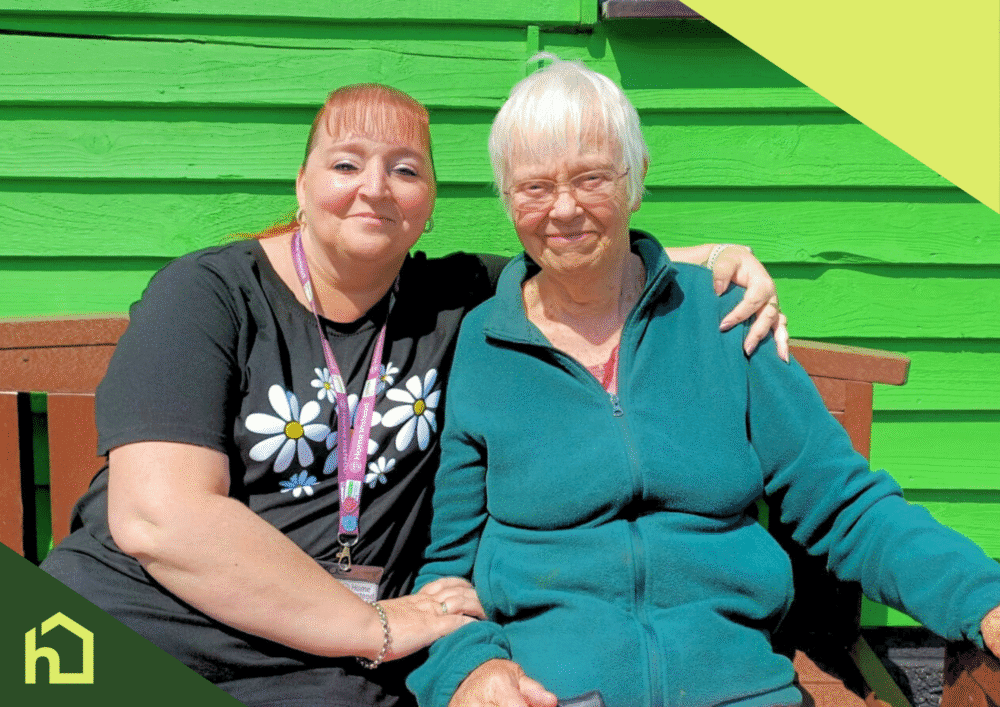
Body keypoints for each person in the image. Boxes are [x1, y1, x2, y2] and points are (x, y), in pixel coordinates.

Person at [39, 82, 786, 707]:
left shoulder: (455, 298)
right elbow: (159, 517)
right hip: (135, 625)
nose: (374, 186)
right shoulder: (208, 295)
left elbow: (586, 253)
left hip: (322, 673)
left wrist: (715, 259)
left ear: (428, 204)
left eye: (404, 169)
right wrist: (376, 628)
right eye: (346, 162)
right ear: (301, 187)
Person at [405, 57, 1000, 707]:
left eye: (592, 177)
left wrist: (982, 596)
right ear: (506, 198)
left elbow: (849, 505)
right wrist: (468, 671)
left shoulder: (721, 318)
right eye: (535, 187)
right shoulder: (487, 344)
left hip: (739, 689)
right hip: (554, 693)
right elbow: (449, 568)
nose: (565, 208)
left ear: (636, 179)